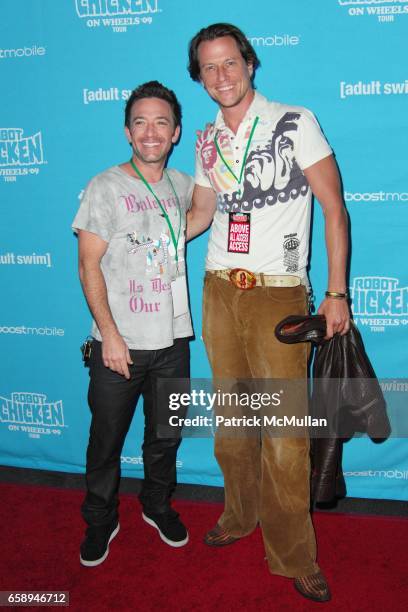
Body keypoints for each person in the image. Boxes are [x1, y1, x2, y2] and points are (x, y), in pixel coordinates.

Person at [186, 23, 350, 602]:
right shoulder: (207, 140)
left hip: (278, 292)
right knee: (232, 424)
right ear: (200, 77)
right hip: (217, 289)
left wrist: (336, 294)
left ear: (250, 65)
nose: (220, 76)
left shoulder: (294, 120)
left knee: (283, 436)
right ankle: (239, 514)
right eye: (208, 68)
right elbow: (203, 211)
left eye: (228, 63)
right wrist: (155, 241)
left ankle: (293, 554)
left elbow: (334, 208)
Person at [72, 81, 193, 567]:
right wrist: (111, 336)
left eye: (161, 121)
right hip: (118, 345)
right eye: (140, 121)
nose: (151, 131)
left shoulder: (183, 185)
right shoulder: (106, 186)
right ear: (127, 131)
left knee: (166, 435)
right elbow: (88, 264)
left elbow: (198, 216)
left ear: (175, 132)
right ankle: (100, 519)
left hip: (173, 341)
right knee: (106, 441)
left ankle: (157, 504)